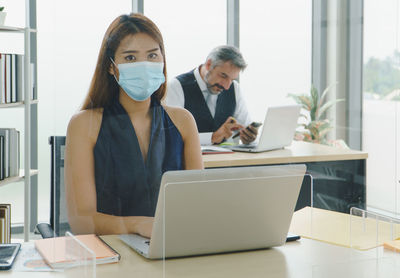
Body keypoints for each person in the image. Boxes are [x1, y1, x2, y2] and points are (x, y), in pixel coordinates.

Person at [65, 13, 203, 238]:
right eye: (130, 58)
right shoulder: (84, 125)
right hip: (110, 255)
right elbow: (82, 221)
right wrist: (139, 225)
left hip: (175, 247)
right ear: (111, 67)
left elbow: (198, 205)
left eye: (152, 55)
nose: (144, 66)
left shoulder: (183, 121)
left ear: (163, 60)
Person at [165, 45, 258, 145]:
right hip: (187, 159)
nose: (226, 86)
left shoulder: (234, 88)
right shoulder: (176, 87)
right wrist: (213, 137)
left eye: (232, 79)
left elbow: (245, 125)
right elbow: (171, 136)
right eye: (223, 75)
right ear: (209, 64)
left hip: (225, 159)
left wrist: (249, 137)